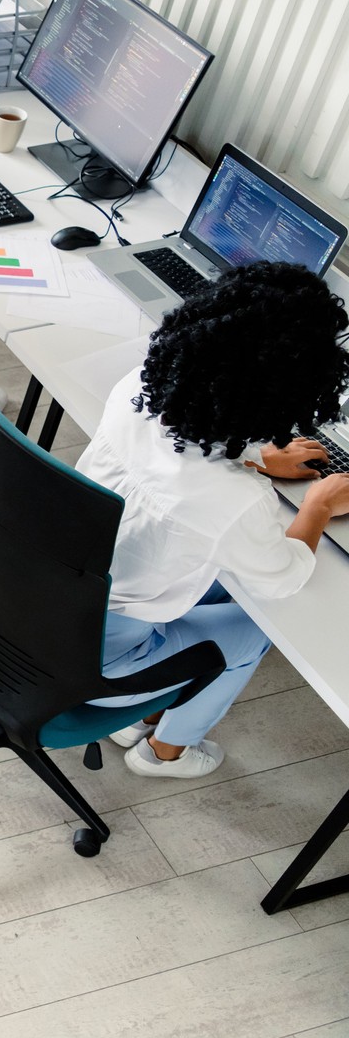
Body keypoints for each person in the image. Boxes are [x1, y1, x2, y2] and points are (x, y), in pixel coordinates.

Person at [80, 263, 349, 777]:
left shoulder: (136, 388)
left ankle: (144, 715)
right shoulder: (233, 500)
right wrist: (318, 505)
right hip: (95, 665)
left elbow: (179, 464)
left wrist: (252, 455)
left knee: (219, 584)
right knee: (256, 626)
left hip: (55, 597)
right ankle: (164, 752)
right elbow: (284, 578)